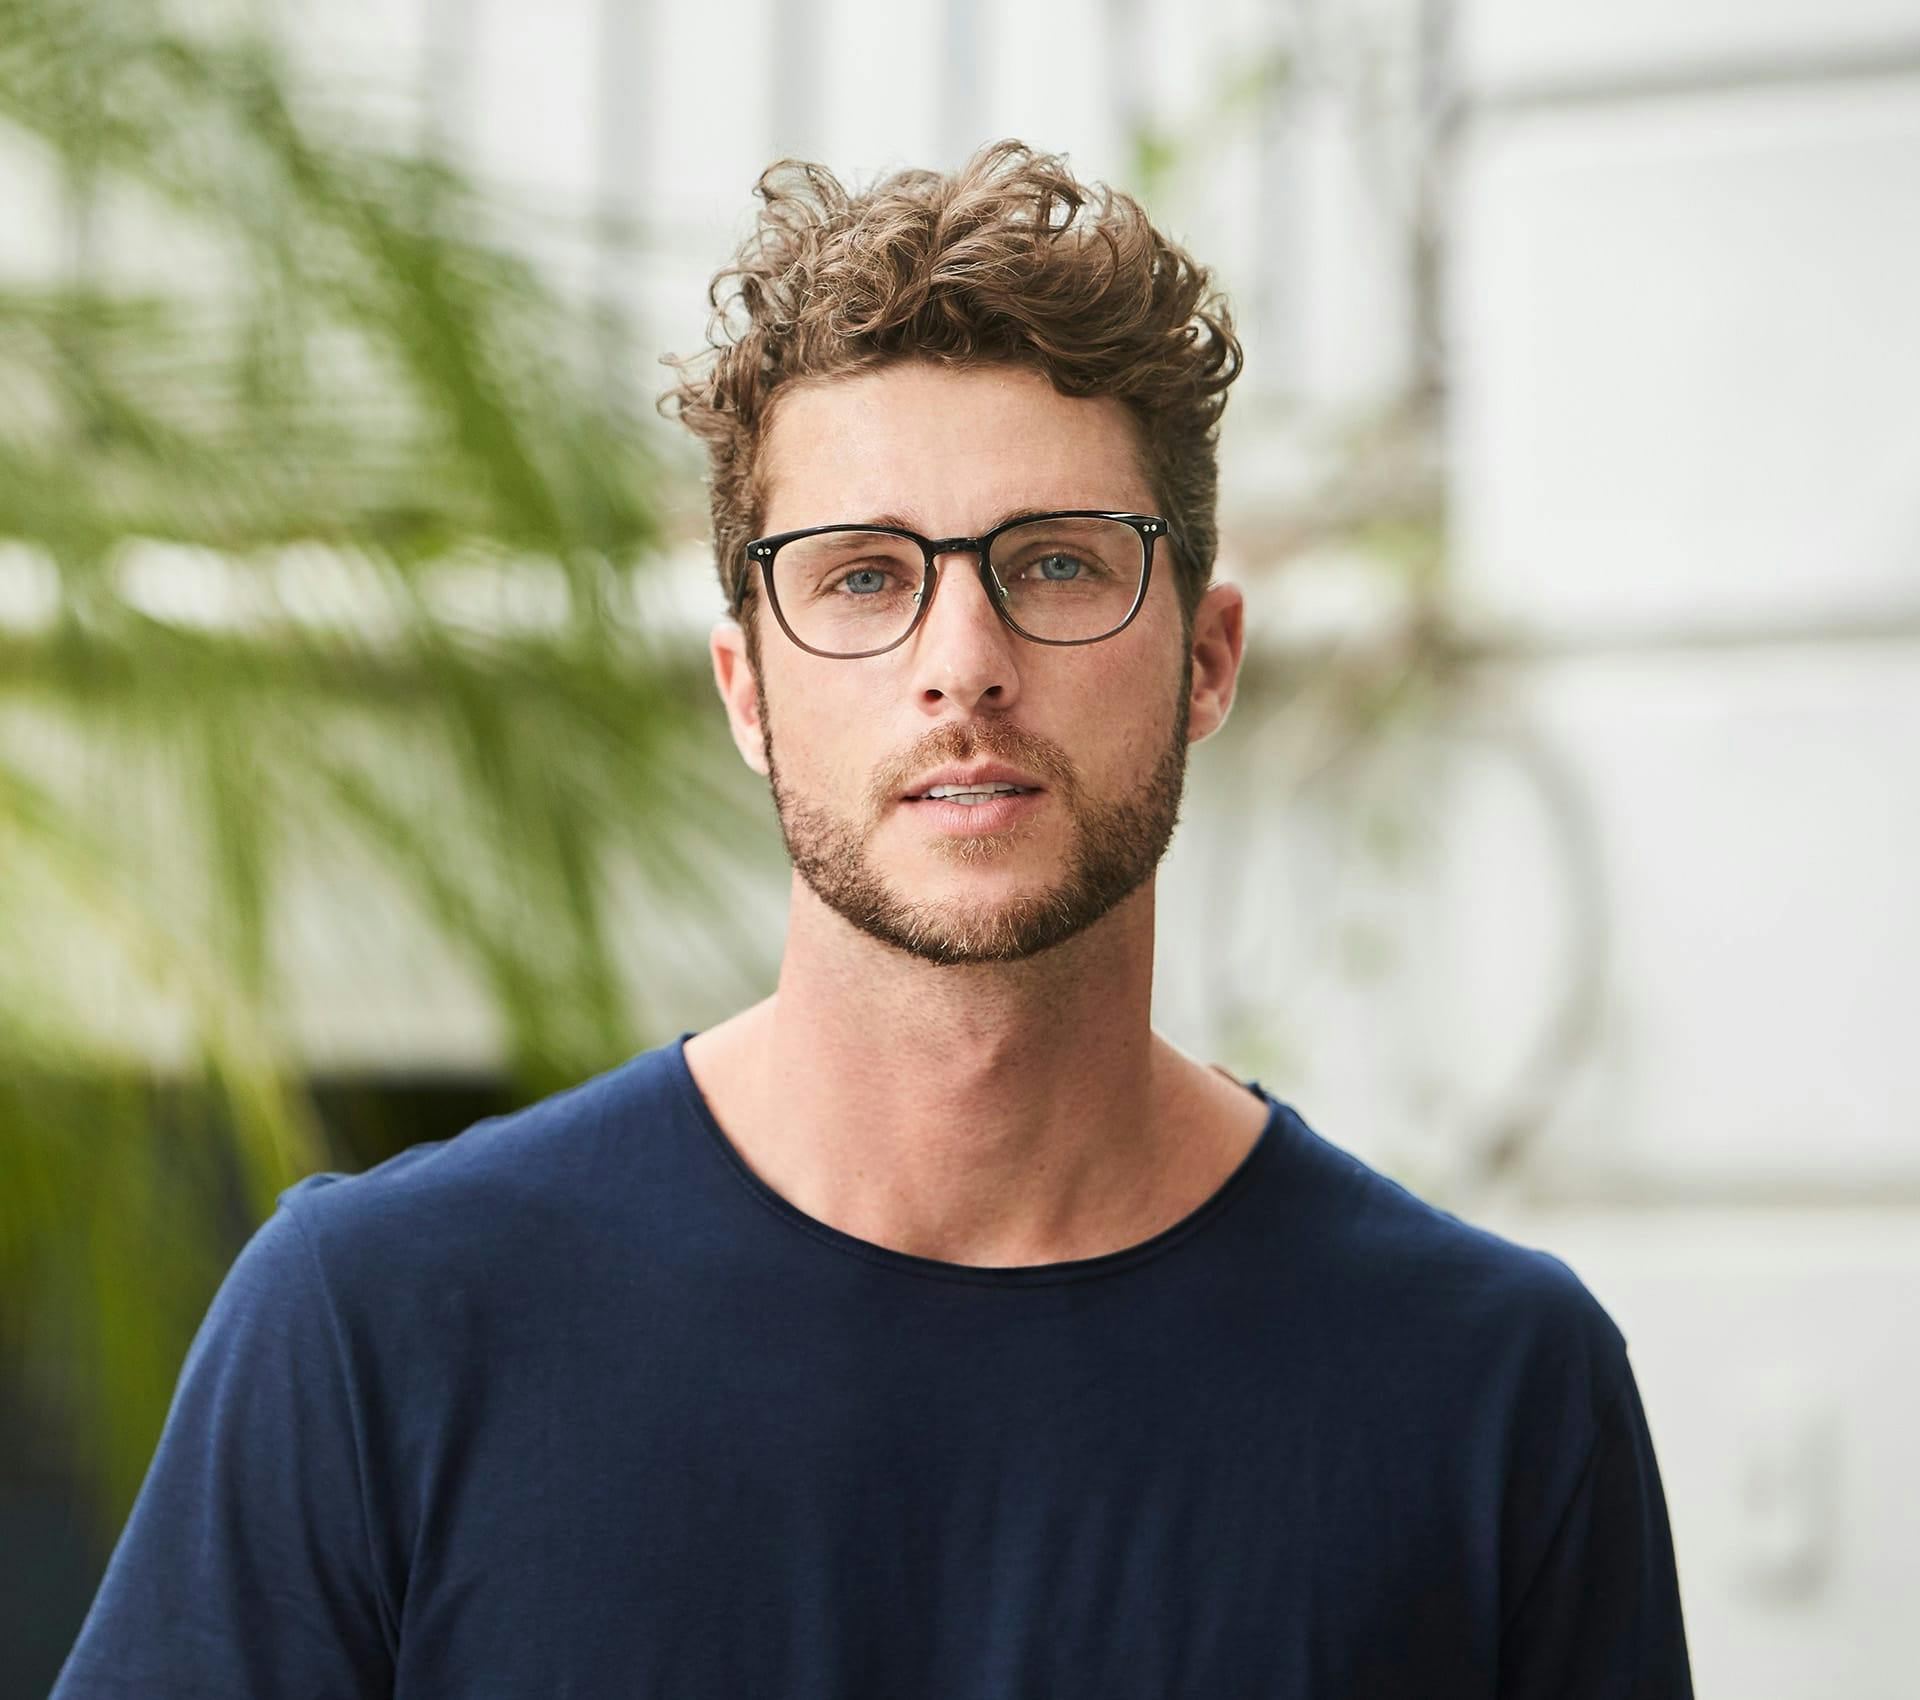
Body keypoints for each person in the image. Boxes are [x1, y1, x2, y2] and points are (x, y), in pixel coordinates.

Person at [51, 141, 1693, 1697]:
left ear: (1207, 657)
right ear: (746, 690)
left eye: (1055, 566)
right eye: (860, 575)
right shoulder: (381, 1330)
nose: (961, 661)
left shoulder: (1492, 1393)